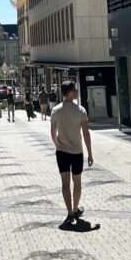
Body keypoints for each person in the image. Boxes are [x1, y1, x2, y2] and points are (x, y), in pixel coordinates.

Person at [50, 80, 98, 232]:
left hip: (62, 152)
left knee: (65, 183)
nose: (77, 92)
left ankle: (70, 212)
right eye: (75, 90)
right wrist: (90, 153)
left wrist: (57, 144)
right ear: (70, 92)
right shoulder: (80, 110)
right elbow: (86, 133)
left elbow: (52, 132)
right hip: (77, 152)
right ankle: (76, 208)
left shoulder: (56, 110)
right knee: (77, 182)